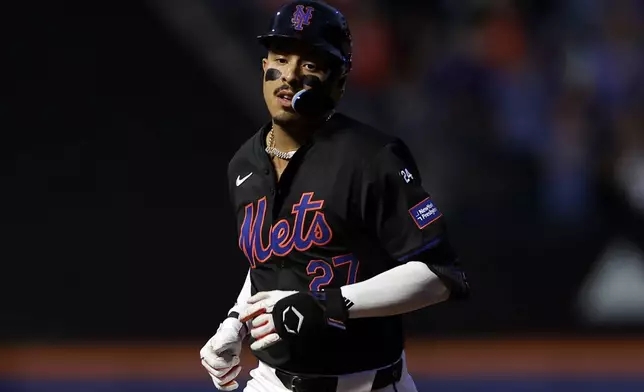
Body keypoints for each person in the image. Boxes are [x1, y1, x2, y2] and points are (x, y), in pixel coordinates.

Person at [200, 1, 469, 391]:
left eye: (310, 65)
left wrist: (330, 303)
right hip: (271, 382)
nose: (289, 76)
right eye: (281, 58)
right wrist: (234, 322)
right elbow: (273, 262)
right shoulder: (244, 163)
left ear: (338, 81)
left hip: (366, 385)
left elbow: (440, 275)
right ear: (264, 68)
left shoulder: (371, 158)